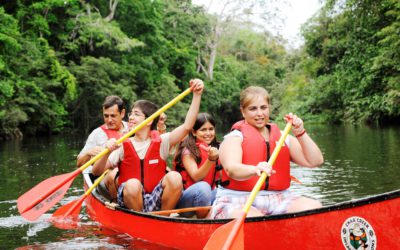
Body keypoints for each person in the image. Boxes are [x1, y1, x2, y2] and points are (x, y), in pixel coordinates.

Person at [208, 86, 324, 219]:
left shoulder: (283, 137)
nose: (259, 114)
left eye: (263, 108)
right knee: (254, 219)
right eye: (253, 109)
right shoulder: (234, 138)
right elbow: (232, 170)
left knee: (313, 207)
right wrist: (254, 169)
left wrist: (300, 132)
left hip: (278, 199)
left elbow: (315, 161)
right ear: (243, 111)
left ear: (269, 108)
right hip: (238, 199)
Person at [92, 79, 204, 213]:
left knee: (175, 177)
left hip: (155, 197)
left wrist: (197, 95)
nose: (131, 118)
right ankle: (139, 220)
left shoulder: (162, 141)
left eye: (136, 114)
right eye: (131, 114)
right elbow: (96, 172)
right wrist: (106, 152)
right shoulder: (122, 144)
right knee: (133, 184)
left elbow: (187, 127)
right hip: (131, 200)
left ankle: (163, 218)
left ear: (149, 121)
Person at [76, 95, 129, 200]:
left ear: (122, 113)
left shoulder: (132, 128)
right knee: (113, 174)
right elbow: (79, 164)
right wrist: (88, 153)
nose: (109, 120)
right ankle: (117, 204)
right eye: (106, 116)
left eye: (113, 116)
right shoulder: (97, 134)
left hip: (129, 174)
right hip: (105, 178)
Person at [173, 113, 220, 218]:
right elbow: (196, 176)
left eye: (211, 129)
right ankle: (203, 220)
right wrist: (211, 159)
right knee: (204, 187)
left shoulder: (215, 149)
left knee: (226, 191)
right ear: (194, 132)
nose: (208, 133)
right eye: (203, 130)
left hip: (207, 197)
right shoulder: (187, 151)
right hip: (187, 203)